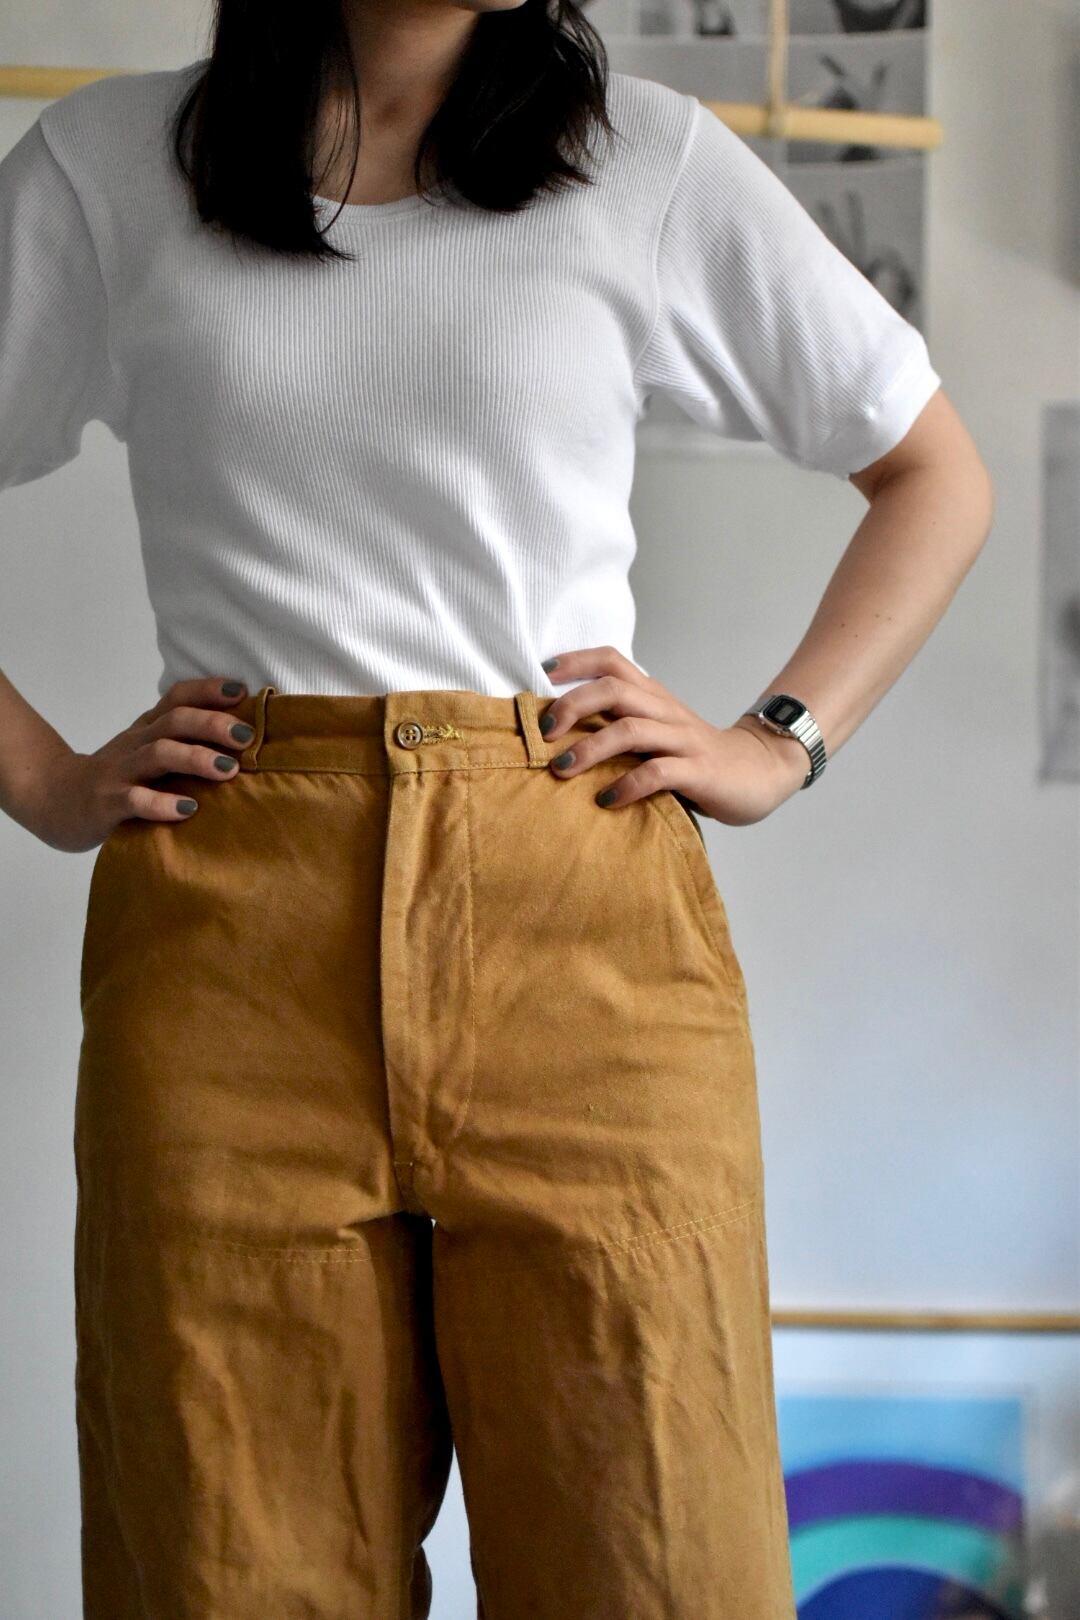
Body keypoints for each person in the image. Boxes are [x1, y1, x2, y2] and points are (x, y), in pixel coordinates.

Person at [0, 1, 992, 1615]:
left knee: (655, 1562)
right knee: (227, 1569)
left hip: (583, 934)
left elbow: (934, 472)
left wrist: (779, 741)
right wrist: (42, 778)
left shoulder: (646, 161)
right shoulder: (108, 166)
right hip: (234, 948)